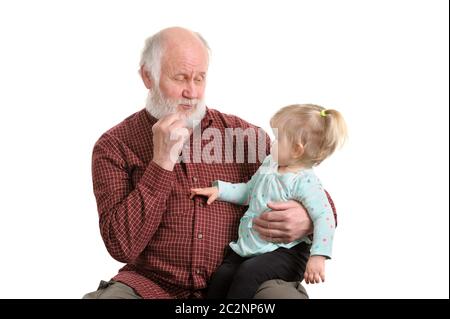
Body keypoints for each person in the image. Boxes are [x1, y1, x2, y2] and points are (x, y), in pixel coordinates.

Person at [83, 27, 337, 299]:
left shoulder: (245, 137)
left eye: (199, 78)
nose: (191, 92)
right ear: (148, 76)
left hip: (242, 280)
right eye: (180, 78)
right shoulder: (114, 145)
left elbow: (310, 189)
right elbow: (121, 246)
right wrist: (161, 162)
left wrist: (305, 218)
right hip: (151, 287)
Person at [191, 104, 347, 298]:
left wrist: (318, 256)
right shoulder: (269, 165)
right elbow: (249, 191)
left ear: (297, 150)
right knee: (223, 275)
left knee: (248, 274)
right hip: (252, 246)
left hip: (286, 253)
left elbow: (325, 217)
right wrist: (220, 190)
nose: (272, 143)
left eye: (279, 139)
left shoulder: (304, 181)